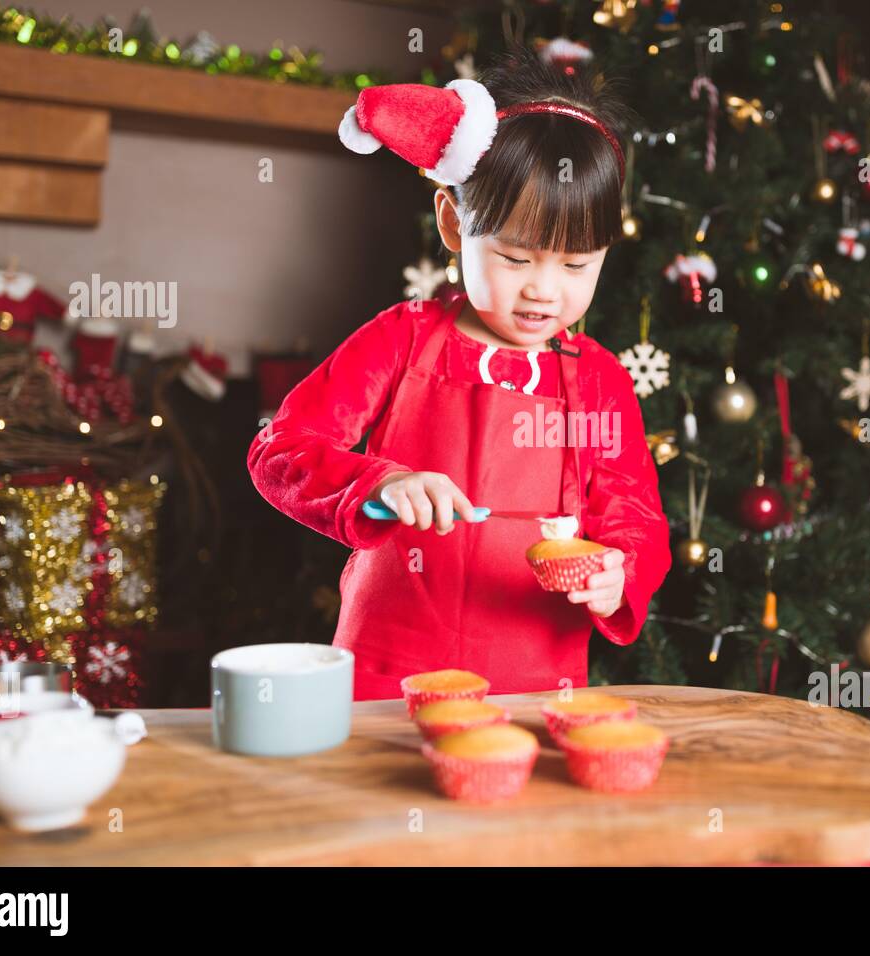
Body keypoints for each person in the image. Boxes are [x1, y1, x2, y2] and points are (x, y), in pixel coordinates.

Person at [248, 47, 671, 700]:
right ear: (454, 222)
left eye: (575, 266)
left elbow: (634, 517)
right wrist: (376, 481)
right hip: (387, 674)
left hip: (534, 687)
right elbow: (281, 450)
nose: (543, 292)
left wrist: (619, 572)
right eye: (514, 257)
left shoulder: (599, 381)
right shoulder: (401, 338)